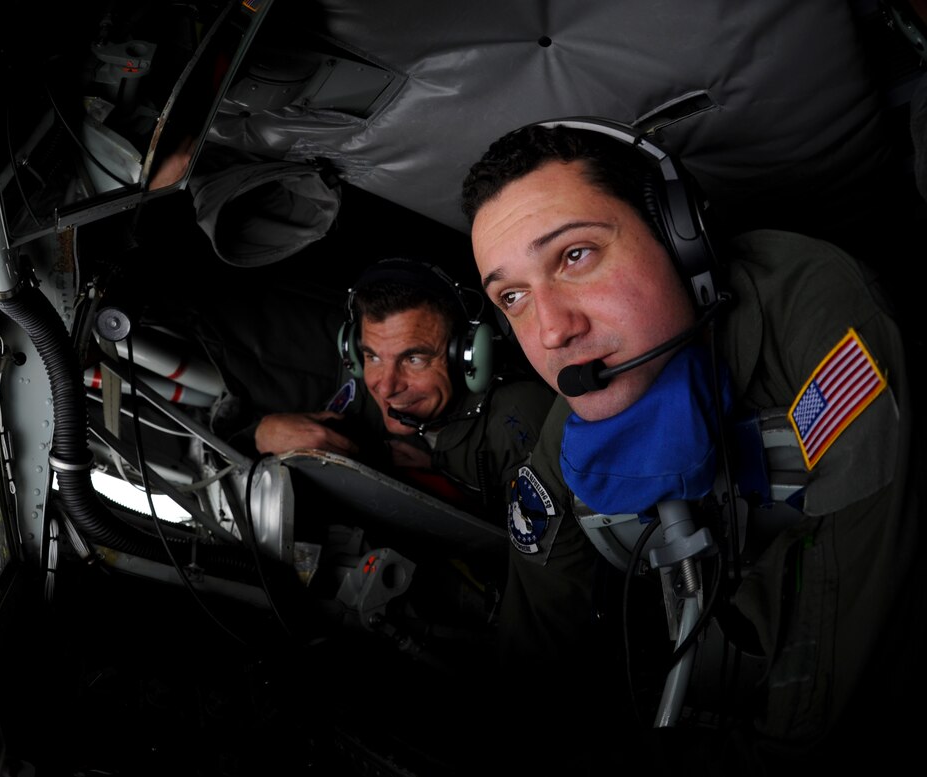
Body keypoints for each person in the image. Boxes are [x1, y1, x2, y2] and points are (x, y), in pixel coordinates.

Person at [460, 118, 925, 772]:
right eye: (513, 296)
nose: (553, 330)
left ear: (683, 238)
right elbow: (532, 664)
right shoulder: (567, 440)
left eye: (575, 255)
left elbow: (847, 693)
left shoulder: (815, 317)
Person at [250, 257, 556, 519]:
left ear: (468, 356)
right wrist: (259, 433)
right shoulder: (363, 397)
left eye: (413, 358)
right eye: (372, 356)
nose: (385, 387)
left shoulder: (518, 418)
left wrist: (444, 478)